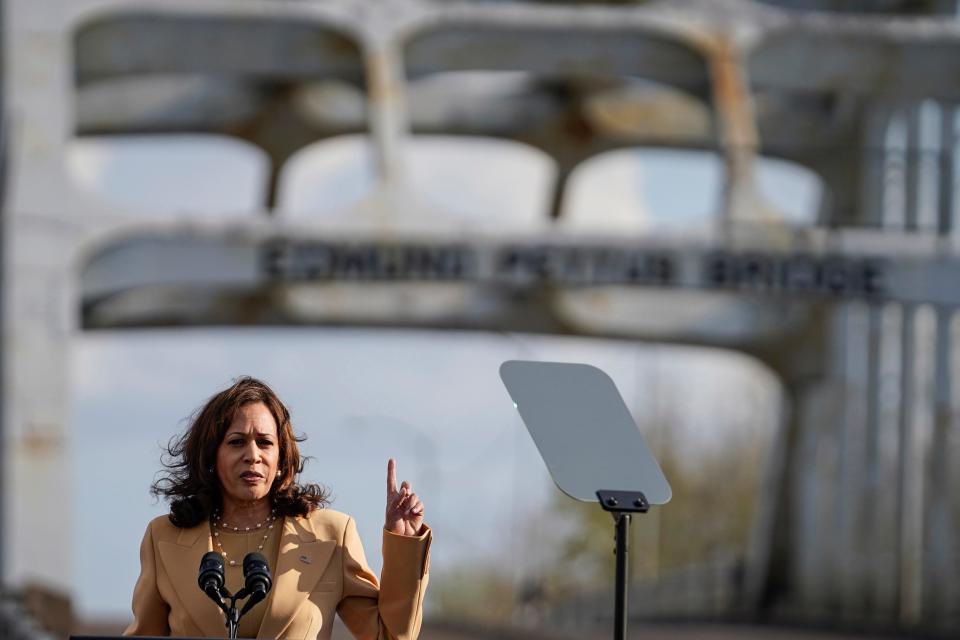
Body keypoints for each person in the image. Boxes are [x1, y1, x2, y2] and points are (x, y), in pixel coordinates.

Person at [124, 376, 431, 640]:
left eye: (265, 443)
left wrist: (403, 541)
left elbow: (389, 636)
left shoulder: (331, 536)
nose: (252, 455)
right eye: (236, 442)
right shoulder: (163, 537)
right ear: (211, 456)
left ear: (282, 460)